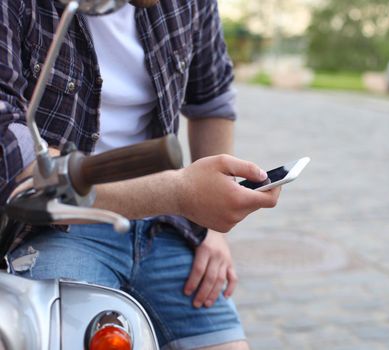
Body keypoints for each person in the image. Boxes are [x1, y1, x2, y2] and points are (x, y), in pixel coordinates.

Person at [0, 0, 280, 349]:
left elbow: (212, 97)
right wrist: (179, 194)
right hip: (58, 227)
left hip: (164, 226)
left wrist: (212, 233)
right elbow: (16, 165)